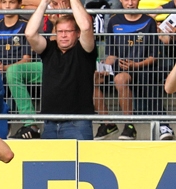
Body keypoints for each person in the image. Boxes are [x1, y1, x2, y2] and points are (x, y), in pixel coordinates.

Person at [93, 0, 174, 141]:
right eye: (126, 0)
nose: (130, 3)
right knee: (93, 78)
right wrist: (104, 67)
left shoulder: (149, 21)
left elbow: (153, 57)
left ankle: (129, 125)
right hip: (121, 67)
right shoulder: (113, 21)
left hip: (144, 68)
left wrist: (135, 65)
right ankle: (107, 123)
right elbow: (112, 54)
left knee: (130, 79)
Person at [24, 0, 97, 140]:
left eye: (68, 31)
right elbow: (29, 33)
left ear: (76, 33)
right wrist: (44, 2)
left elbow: (86, 27)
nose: (63, 35)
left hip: (78, 124)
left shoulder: (84, 51)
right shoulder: (49, 49)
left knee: (79, 163)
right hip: (50, 124)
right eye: (60, 31)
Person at [6, 0, 67, 139]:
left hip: (73, 66)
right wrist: (55, 23)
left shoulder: (78, 17)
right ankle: (30, 124)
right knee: (14, 71)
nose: (53, 7)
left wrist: (62, 19)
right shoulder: (50, 19)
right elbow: (53, 52)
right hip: (49, 65)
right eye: (53, 4)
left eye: (57, 4)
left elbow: (66, 52)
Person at [0, 0, 31, 75]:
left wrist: (6, 68)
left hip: (18, 71)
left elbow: (27, 59)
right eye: (4, 2)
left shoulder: (27, 25)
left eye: (12, 2)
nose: (7, 6)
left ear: (19, 4)